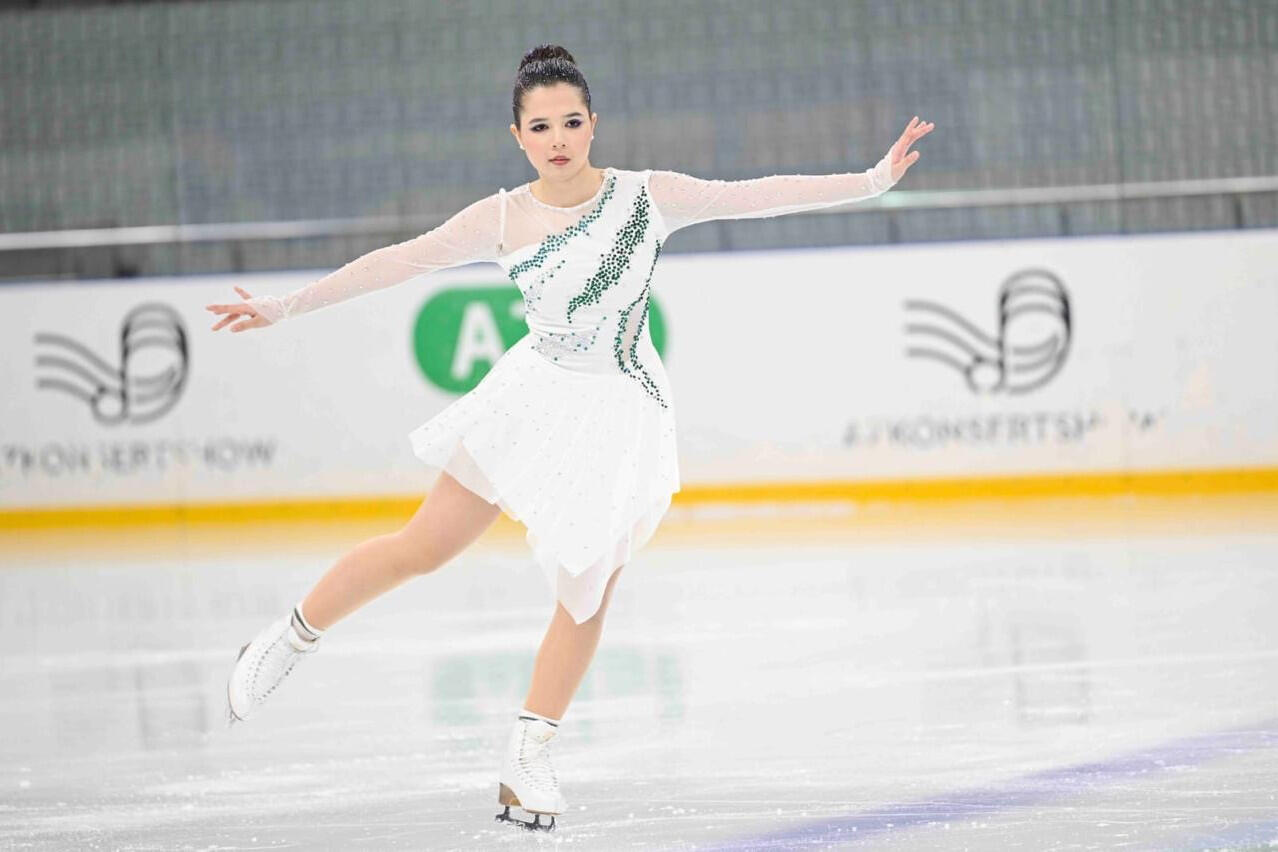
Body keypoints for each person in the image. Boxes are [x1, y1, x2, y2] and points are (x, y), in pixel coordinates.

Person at [205, 43, 932, 832]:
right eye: (541, 126)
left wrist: (870, 180)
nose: (558, 139)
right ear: (518, 136)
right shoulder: (502, 217)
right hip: (532, 397)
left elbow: (756, 196)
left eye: (571, 122)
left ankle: (528, 755)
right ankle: (289, 638)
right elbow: (398, 262)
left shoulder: (649, 197)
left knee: (586, 592)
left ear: (593, 125)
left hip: (618, 411)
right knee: (424, 545)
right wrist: (286, 306)